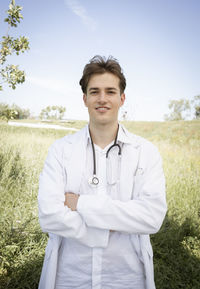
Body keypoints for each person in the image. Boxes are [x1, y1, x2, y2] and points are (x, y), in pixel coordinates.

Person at [38, 55, 167, 289]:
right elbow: (49, 215)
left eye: (110, 91)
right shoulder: (60, 150)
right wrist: (111, 226)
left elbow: (151, 217)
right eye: (95, 91)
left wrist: (81, 205)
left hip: (126, 278)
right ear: (85, 98)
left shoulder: (145, 152)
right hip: (70, 278)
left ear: (122, 98)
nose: (102, 99)